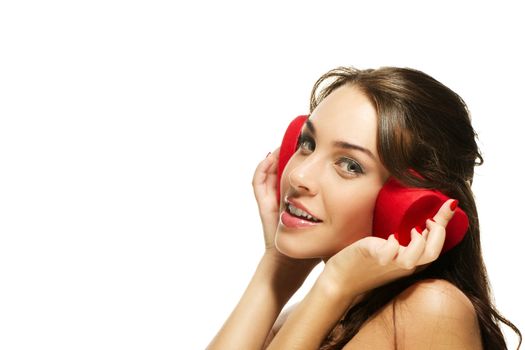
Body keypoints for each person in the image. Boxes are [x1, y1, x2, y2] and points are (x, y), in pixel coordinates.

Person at [206, 66, 522, 349]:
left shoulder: (431, 307)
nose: (298, 175)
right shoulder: (298, 317)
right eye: (307, 144)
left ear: (407, 205)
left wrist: (333, 285)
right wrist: (276, 267)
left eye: (350, 165)